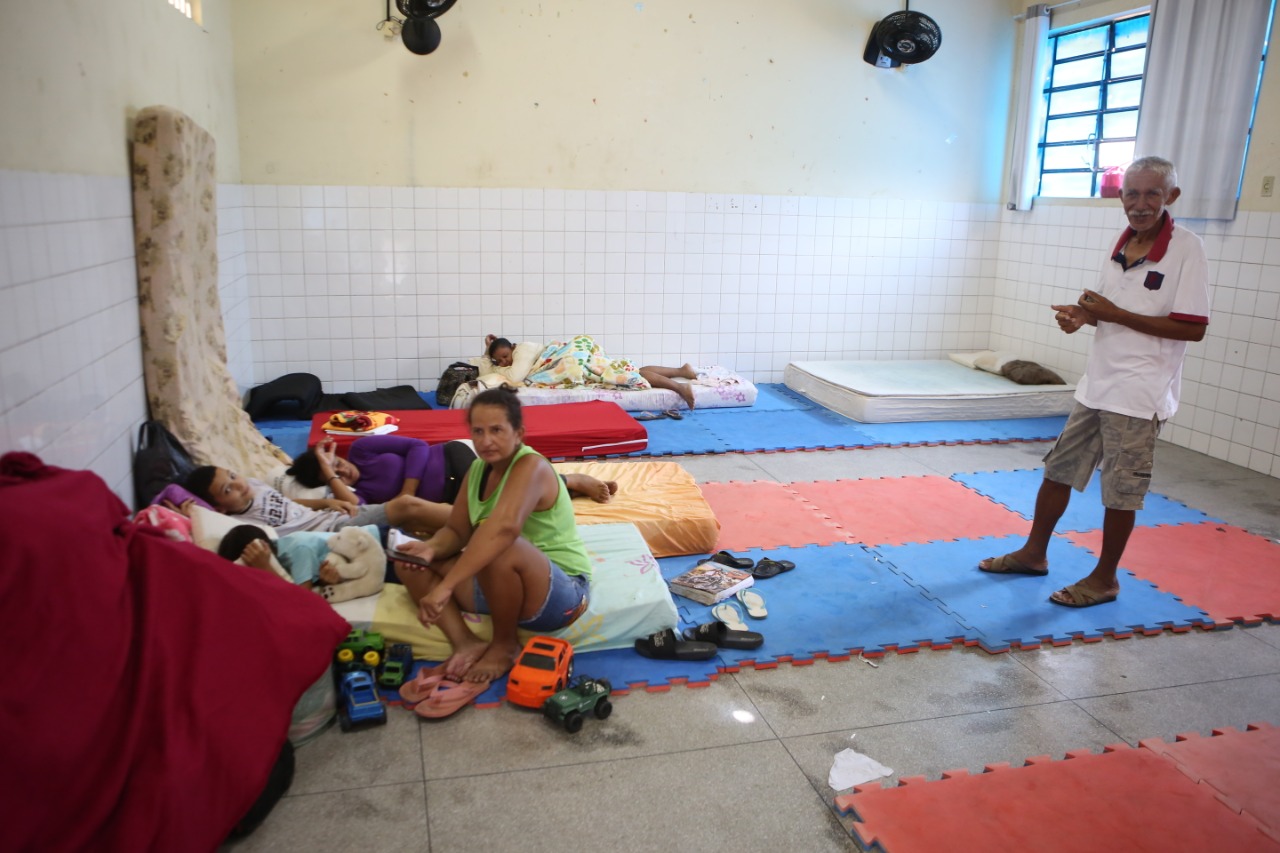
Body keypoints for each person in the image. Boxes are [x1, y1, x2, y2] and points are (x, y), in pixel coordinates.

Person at [979, 156, 1210, 608]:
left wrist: (1113, 314)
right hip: (1097, 384)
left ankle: (1105, 578)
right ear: (1120, 196)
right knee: (1057, 472)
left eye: (1152, 194)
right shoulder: (1120, 241)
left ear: (1171, 196)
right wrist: (1083, 316)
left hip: (1140, 394)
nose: (1140, 204)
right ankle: (1033, 554)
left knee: (1121, 491)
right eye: (1132, 193)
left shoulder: (1187, 248)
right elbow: (1108, 309)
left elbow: (1193, 328)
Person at [391, 387, 593, 683]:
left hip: (560, 593)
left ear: (518, 433)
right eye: (478, 431)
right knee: (409, 562)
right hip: (500, 587)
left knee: (500, 545)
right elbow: (456, 531)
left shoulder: (532, 466)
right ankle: (465, 643)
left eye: (496, 430)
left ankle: (504, 645)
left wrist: (446, 586)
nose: (486, 441)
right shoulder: (476, 470)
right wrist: (430, 548)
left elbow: (503, 530)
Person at [287, 434, 619, 511]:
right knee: (509, 502)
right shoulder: (356, 494)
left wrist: (408, 491)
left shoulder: (361, 450)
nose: (341, 469)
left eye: (336, 462)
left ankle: (572, 481)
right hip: (452, 493)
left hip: (452, 457)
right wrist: (329, 473)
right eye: (333, 473)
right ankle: (568, 488)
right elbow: (355, 510)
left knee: (504, 486)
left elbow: (417, 446)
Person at [174, 464, 445, 537]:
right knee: (407, 506)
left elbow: (290, 503)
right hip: (330, 533)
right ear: (219, 507)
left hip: (331, 517)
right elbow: (207, 526)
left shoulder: (255, 485)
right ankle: (469, 523)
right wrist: (194, 515)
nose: (238, 484)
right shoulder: (237, 522)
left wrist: (326, 503)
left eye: (233, 476)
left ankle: (462, 530)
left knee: (418, 522)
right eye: (227, 490)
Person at [483, 333, 701, 409]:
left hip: (572, 358)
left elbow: (515, 377)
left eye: (505, 356)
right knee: (626, 368)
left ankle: (680, 388)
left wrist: (490, 360)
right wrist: (488, 352)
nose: (504, 362)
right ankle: (682, 371)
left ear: (512, 347)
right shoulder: (518, 352)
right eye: (498, 360)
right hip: (570, 355)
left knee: (627, 375)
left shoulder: (521, 351)